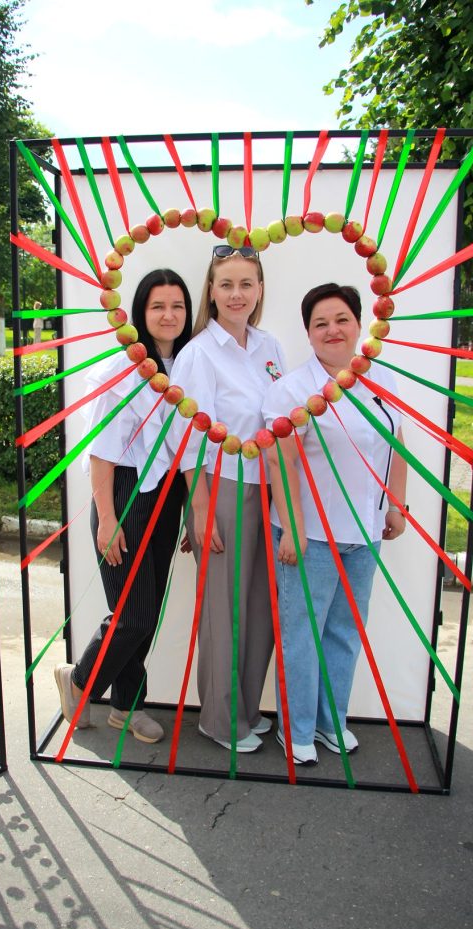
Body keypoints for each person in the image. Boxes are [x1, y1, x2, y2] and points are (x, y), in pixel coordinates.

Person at [262, 282, 408, 766]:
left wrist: (395, 505)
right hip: (310, 539)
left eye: (342, 319)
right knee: (302, 636)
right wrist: (293, 529)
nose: (332, 330)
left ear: (358, 324)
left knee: (344, 633)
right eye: (320, 323)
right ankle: (296, 729)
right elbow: (280, 461)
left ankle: (330, 722)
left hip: (366, 533)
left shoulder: (381, 380)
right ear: (308, 333)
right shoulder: (291, 391)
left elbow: (396, 442)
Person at [54, 268, 193, 743]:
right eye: (158, 306)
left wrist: (193, 510)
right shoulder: (122, 369)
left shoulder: (188, 366)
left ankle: (126, 708)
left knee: (145, 615)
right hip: (125, 492)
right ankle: (79, 681)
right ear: (140, 312)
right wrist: (108, 518)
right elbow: (103, 449)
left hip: (169, 494)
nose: (169, 315)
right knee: (131, 613)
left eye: (177, 306)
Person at [170, 245, 287, 753]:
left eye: (246, 284)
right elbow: (187, 436)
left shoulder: (270, 346)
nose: (237, 294)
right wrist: (200, 510)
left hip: (270, 488)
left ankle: (246, 709)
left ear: (259, 289)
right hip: (222, 488)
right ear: (211, 293)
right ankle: (219, 719)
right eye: (226, 285)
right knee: (225, 609)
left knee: (261, 607)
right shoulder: (199, 354)